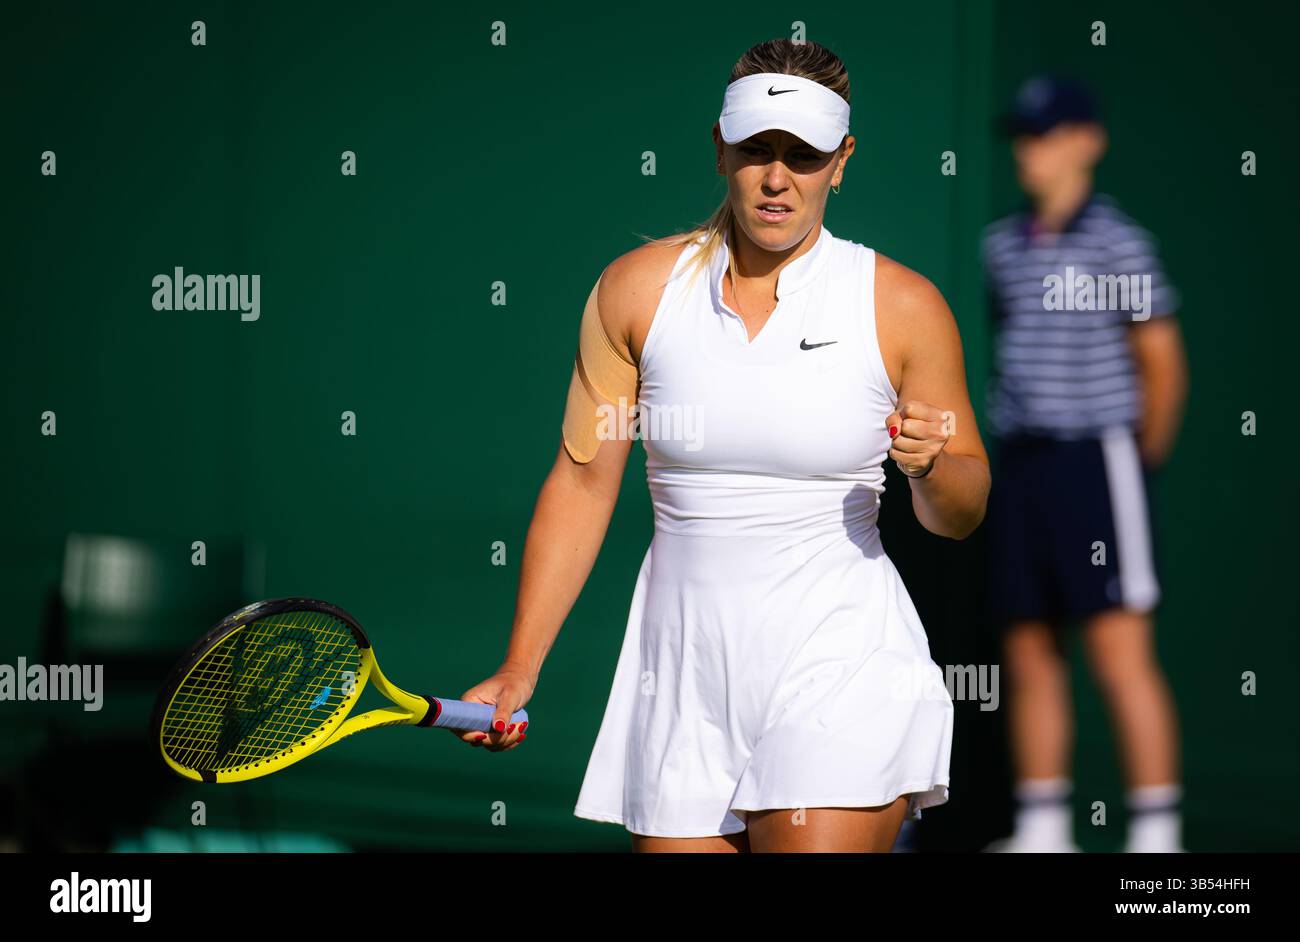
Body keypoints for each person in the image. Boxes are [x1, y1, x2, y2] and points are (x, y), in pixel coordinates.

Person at [457, 38, 989, 853]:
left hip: (844, 667)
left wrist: (930, 468)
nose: (777, 177)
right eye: (756, 151)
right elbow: (582, 482)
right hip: (680, 679)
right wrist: (519, 668)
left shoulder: (903, 306)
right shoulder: (632, 291)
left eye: (804, 156)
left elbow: (960, 511)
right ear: (720, 148)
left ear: (841, 162)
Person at [981, 77, 1189, 853]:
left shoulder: (1119, 243)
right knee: (1028, 645)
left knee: (1118, 650)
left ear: (1087, 141)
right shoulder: (1001, 245)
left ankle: (1156, 838)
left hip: (1099, 463)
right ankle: (1042, 829)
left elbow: (1162, 364)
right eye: (1024, 135)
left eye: (1048, 133)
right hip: (1022, 466)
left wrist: (1133, 464)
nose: (1030, 151)